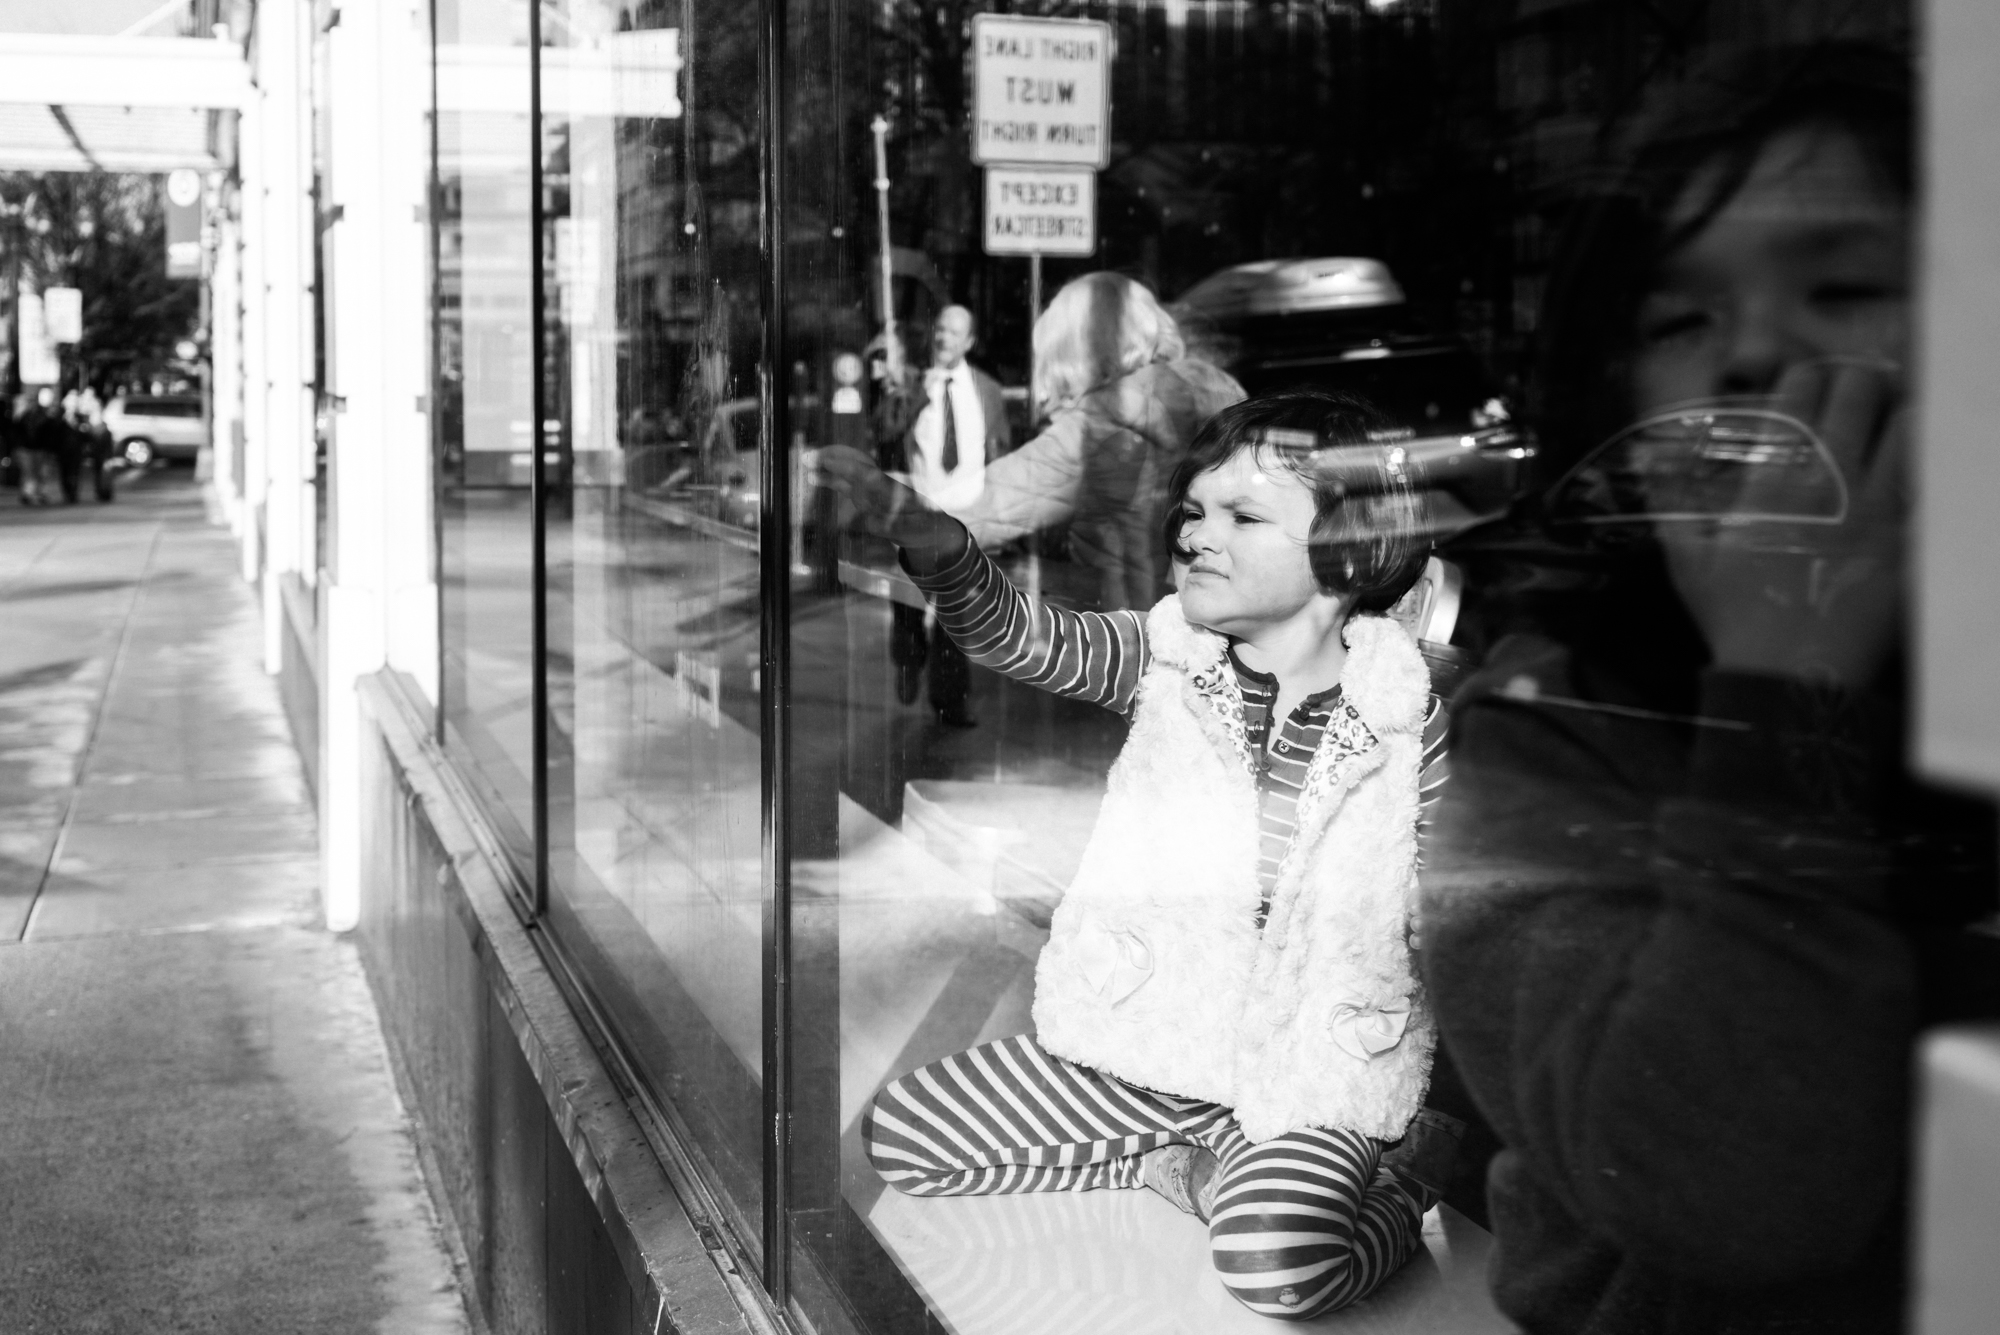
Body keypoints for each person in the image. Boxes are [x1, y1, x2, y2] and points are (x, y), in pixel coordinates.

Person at [1423, 43, 1998, 1335]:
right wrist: (1788, 678)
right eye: (1677, 320)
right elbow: (1727, 1192)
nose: (1751, 355)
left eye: (1846, 285)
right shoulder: (1553, 735)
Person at [819, 389, 1459, 1321]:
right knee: (906, 1135)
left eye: (1243, 515)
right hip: (1150, 1050)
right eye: (1193, 510)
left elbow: (1447, 903)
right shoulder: (1164, 657)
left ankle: (1400, 1175)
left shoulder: (1407, 719)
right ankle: (1186, 1164)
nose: (1198, 534)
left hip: (1309, 1080)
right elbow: (1016, 634)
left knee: (1275, 1260)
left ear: (1351, 552)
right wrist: (926, 530)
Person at [956, 271, 1245, 612]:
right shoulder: (1223, 397)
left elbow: (965, 514)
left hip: (1125, 636)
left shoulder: (1095, 426)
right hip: (1215, 630)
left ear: (1068, 352)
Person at [874, 304, 1013, 725]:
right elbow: (885, 430)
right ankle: (907, 659)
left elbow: (1001, 450)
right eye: (939, 330)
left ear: (968, 341)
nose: (943, 338)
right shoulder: (914, 383)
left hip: (965, 522)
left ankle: (949, 702)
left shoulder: (986, 389)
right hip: (919, 515)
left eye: (954, 332)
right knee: (910, 606)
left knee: (958, 616)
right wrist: (905, 393)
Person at [17, 387, 65, 507]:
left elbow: (51, 433)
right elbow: (18, 431)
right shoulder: (27, 416)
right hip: (30, 448)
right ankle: (31, 493)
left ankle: (37, 493)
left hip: (39, 448)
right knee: (31, 472)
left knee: (38, 472)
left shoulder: (44, 416)